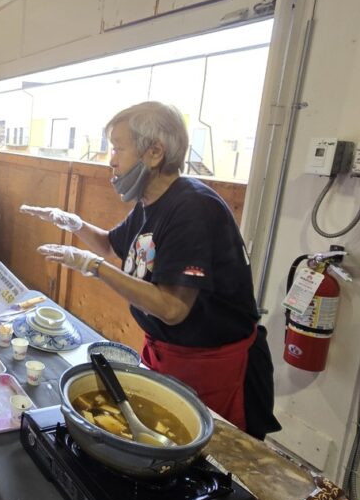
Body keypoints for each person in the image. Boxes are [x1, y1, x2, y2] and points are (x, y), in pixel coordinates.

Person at [22, 101, 280, 439]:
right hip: (169, 354)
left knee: (208, 456)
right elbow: (111, 246)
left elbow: (172, 308)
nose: (111, 160)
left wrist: (93, 267)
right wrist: (71, 222)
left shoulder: (193, 208)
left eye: (117, 148)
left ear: (154, 152)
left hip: (213, 366)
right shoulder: (151, 203)